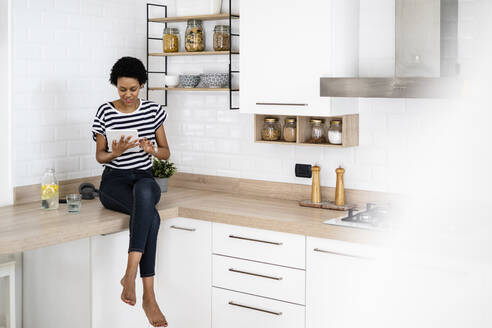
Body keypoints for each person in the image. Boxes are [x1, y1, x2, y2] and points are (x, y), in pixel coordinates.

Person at [91, 56, 169, 327]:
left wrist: (151, 151)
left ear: (141, 86)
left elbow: (166, 152)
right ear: (116, 86)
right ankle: (149, 294)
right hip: (114, 182)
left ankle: (130, 272)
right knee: (152, 218)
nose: (127, 94)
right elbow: (100, 156)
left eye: (133, 89)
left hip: (143, 179)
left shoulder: (154, 111)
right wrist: (117, 152)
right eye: (122, 89)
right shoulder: (105, 112)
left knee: (146, 190)